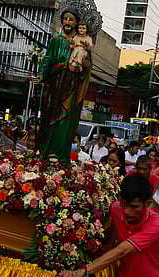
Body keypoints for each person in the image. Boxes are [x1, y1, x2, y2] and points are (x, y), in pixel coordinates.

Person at [58, 175, 159, 277]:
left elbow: (121, 251)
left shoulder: (155, 224)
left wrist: (84, 270)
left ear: (147, 204)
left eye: (134, 207)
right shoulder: (116, 209)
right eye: (124, 204)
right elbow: (110, 234)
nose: (127, 211)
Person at [37, 2, 101, 162]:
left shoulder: (82, 43)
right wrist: (42, 75)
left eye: (71, 19)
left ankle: (58, 154)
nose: (67, 22)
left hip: (71, 87)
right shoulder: (56, 40)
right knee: (49, 119)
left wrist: (83, 66)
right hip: (55, 86)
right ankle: (45, 151)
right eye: (65, 19)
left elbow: (87, 66)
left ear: (77, 22)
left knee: (65, 120)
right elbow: (48, 59)